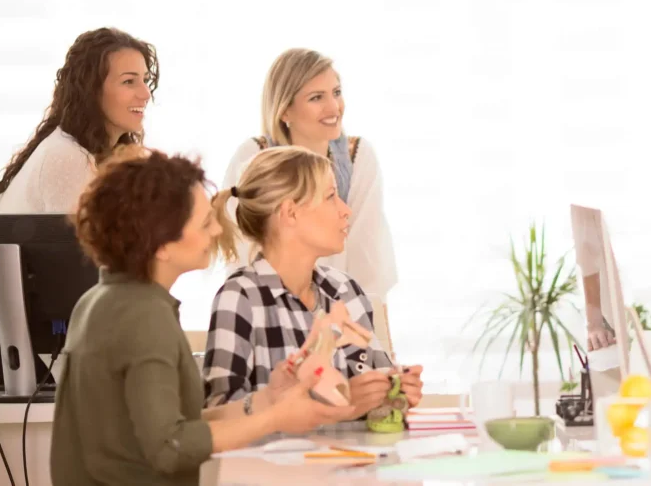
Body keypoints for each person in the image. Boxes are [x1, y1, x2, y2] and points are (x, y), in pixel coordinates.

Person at [50, 148, 355, 486]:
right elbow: (171, 446)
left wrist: (267, 401)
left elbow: (176, 425)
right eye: (205, 222)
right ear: (162, 244)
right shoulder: (144, 317)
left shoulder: (101, 301)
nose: (215, 232)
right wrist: (276, 419)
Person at [204, 146, 423, 420]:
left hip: (353, 461)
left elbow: (374, 394)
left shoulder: (345, 291)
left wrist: (396, 391)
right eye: (331, 197)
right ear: (290, 213)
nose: (346, 211)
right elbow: (219, 414)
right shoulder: (240, 298)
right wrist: (336, 401)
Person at [222, 48, 397, 299]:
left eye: (336, 93)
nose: (334, 107)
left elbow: (367, 255)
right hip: (268, 303)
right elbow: (241, 250)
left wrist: (350, 316)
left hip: (340, 305)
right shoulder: (253, 156)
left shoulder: (358, 157)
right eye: (316, 98)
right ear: (285, 111)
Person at [0, 27, 157, 213]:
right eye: (129, 81)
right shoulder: (68, 158)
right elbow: (85, 242)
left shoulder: (88, 153)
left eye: (145, 81)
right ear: (92, 90)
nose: (146, 94)